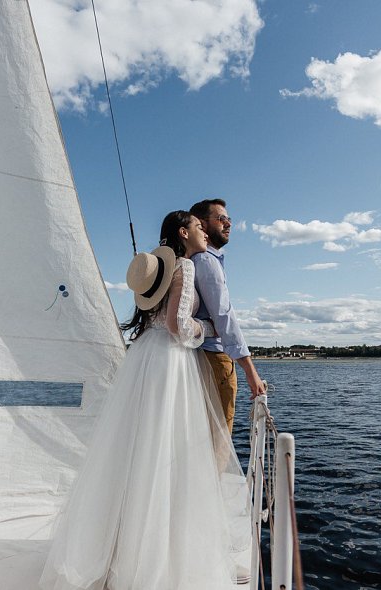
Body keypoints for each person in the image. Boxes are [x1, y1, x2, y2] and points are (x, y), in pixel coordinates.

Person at [39, 211, 249, 589]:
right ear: (184, 232)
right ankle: (161, 554)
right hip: (170, 359)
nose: (204, 232)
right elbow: (178, 326)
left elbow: (158, 320)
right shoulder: (184, 266)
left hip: (144, 357)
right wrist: (207, 327)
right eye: (199, 227)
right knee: (170, 449)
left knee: (136, 447)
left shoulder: (160, 270)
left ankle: (120, 546)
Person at [189, 198, 266, 434]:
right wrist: (250, 370)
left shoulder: (192, 260)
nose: (228, 224)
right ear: (202, 224)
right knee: (220, 436)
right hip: (215, 359)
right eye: (221, 218)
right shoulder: (206, 260)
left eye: (229, 219)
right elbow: (223, 315)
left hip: (198, 356)